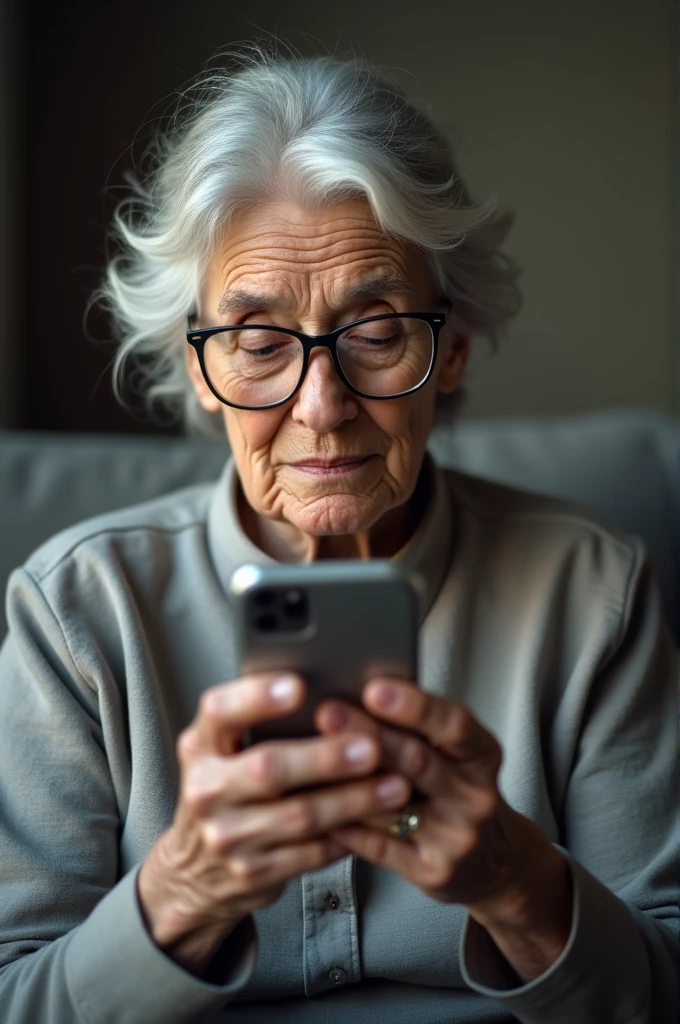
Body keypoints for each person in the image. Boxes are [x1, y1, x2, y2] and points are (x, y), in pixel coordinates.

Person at [0, 50, 677, 1024]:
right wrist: (182, 889)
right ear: (196, 367)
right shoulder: (75, 613)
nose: (322, 408)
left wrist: (516, 879)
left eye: (375, 331)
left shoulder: (591, 589)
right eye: (259, 342)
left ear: (450, 350)